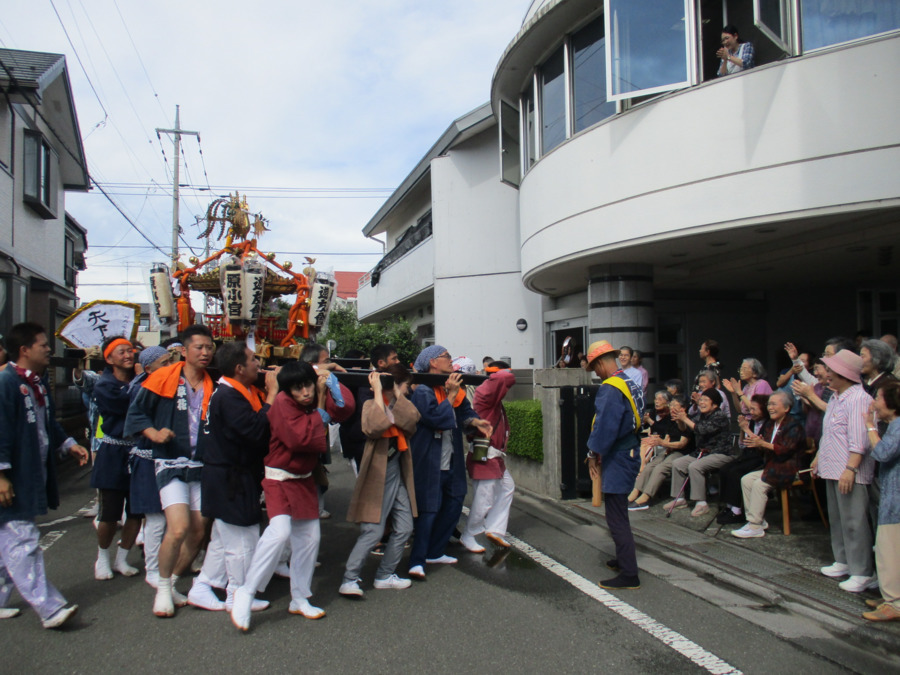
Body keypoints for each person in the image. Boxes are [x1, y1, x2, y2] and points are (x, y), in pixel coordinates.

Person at [0, 322, 89, 628]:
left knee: (8, 540)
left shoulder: (36, 383)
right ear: (24, 350)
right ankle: (49, 608)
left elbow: (49, 424)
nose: (49, 349)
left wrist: (68, 444)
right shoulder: (5, 382)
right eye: (42, 344)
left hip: (29, 473)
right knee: (21, 539)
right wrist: (1, 475)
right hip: (12, 477)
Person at [230, 361, 331, 631]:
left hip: (303, 480)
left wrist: (331, 383)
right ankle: (246, 591)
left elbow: (343, 410)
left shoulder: (308, 400)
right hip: (278, 478)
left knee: (310, 539)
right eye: (298, 388)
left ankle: (299, 597)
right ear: (288, 389)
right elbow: (300, 439)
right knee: (279, 532)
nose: (305, 392)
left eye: (308, 385)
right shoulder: (283, 404)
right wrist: (320, 409)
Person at [125, 324, 215, 617]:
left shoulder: (214, 381)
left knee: (200, 530)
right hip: (170, 463)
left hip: (201, 463)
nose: (205, 352)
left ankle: (173, 581)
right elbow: (137, 413)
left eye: (209, 347)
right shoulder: (163, 376)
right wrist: (153, 433)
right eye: (199, 347)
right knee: (178, 528)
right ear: (184, 350)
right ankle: (162, 588)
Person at [188, 341, 278, 613]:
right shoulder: (229, 396)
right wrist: (272, 395)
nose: (258, 365)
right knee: (242, 539)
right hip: (230, 478)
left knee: (222, 539)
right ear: (239, 368)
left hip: (229, 475)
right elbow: (254, 432)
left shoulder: (232, 392)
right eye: (253, 361)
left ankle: (203, 586)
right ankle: (237, 594)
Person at [407, 345, 491, 580]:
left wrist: (476, 423)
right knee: (429, 509)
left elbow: (464, 412)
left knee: (455, 500)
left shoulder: (451, 387)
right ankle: (417, 560)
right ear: (433, 362)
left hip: (451, 456)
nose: (450, 361)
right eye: (446, 357)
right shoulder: (424, 390)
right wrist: (451, 394)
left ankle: (435, 550)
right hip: (429, 458)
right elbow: (436, 418)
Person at [340, 365, 420, 597]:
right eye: (404, 386)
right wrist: (377, 392)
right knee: (373, 532)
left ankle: (385, 574)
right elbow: (374, 426)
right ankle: (349, 579)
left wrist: (394, 394)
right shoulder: (369, 404)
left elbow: (413, 419)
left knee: (405, 527)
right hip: (379, 472)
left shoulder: (399, 405)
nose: (406, 391)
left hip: (395, 469)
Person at [813, 349, 876, 593]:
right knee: (838, 519)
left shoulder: (859, 398)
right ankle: (843, 560)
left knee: (854, 521)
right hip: (832, 467)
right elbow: (828, 432)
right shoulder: (835, 397)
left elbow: (859, 439)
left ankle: (861, 571)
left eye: (831, 370)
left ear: (844, 374)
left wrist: (850, 468)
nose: (827, 374)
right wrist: (819, 457)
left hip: (850, 470)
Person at [583, 340, 645, 590]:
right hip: (630, 450)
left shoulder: (610, 388)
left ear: (600, 362)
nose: (596, 374)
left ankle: (630, 574)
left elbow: (606, 427)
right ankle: (622, 560)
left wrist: (592, 452)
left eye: (594, 368)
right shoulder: (629, 380)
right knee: (619, 512)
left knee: (617, 515)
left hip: (619, 455)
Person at [91, 336, 143, 581]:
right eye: (121, 352)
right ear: (109, 358)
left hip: (138, 451)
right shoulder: (105, 385)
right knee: (109, 513)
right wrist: (144, 382)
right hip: (113, 452)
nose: (128, 355)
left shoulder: (137, 380)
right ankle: (102, 557)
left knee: (135, 512)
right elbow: (130, 405)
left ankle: (122, 558)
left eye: (130, 351)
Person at [731, 391, 807, 538]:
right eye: (769, 404)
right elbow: (764, 445)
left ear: (786, 408)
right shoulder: (771, 424)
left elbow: (785, 450)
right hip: (773, 467)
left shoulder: (793, 425)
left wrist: (762, 443)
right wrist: (752, 437)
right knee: (746, 480)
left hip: (790, 468)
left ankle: (755, 525)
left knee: (760, 484)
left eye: (774, 404)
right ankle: (756, 521)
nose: (770, 407)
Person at [126, 345, 171, 588]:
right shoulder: (141, 389)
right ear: (148, 368)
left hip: (165, 458)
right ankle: (152, 569)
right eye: (164, 364)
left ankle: (164, 565)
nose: (169, 367)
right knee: (156, 519)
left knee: (169, 519)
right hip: (147, 458)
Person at [462, 361, 517, 551]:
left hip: (492, 455)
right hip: (485, 453)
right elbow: (506, 377)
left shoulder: (491, 397)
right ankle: (469, 534)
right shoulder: (485, 393)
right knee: (483, 498)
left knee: (507, 487)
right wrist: (495, 372)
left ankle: (494, 529)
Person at [862, 383, 900, 621]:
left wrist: (869, 426)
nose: (874, 402)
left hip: (896, 499)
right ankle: (892, 597)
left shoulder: (897, 427)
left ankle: (893, 603)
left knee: (889, 550)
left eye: (878, 397)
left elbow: (883, 453)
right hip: (893, 494)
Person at [667, 388, 733, 516]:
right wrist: (681, 420)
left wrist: (685, 419)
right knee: (678, 463)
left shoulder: (720, 416)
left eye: (705, 400)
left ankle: (701, 503)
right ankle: (679, 498)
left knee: (695, 466)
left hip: (720, 453)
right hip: (702, 453)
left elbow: (701, 429)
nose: (701, 403)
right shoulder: (700, 415)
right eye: (701, 400)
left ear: (714, 404)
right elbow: (685, 430)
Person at [628, 395, 689, 511]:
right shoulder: (671, 420)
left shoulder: (687, 420)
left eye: (675, 406)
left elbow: (682, 444)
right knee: (650, 466)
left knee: (660, 468)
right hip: (670, 451)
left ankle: (645, 498)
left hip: (682, 453)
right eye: (671, 405)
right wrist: (658, 442)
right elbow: (667, 437)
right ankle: (634, 493)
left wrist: (663, 443)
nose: (672, 408)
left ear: (683, 408)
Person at [716, 394, 771, 524]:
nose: (751, 412)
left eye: (754, 409)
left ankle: (737, 510)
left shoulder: (768, 424)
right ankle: (729, 506)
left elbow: (762, 445)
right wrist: (742, 429)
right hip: (747, 455)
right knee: (725, 469)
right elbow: (742, 444)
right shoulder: (751, 422)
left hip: (760, 458)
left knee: (736, 473)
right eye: (750, 409)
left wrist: (747, 429)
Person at [723, 358, 772, 422]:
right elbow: (740, 410)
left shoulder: (762, 384)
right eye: (740, 369)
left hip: (760, 422)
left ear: (755, 372)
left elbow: (756, 410)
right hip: (748, 422)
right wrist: (733, 393)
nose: (741, 371)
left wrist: (740, 393)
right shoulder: (746, 387)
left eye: (744, 369)